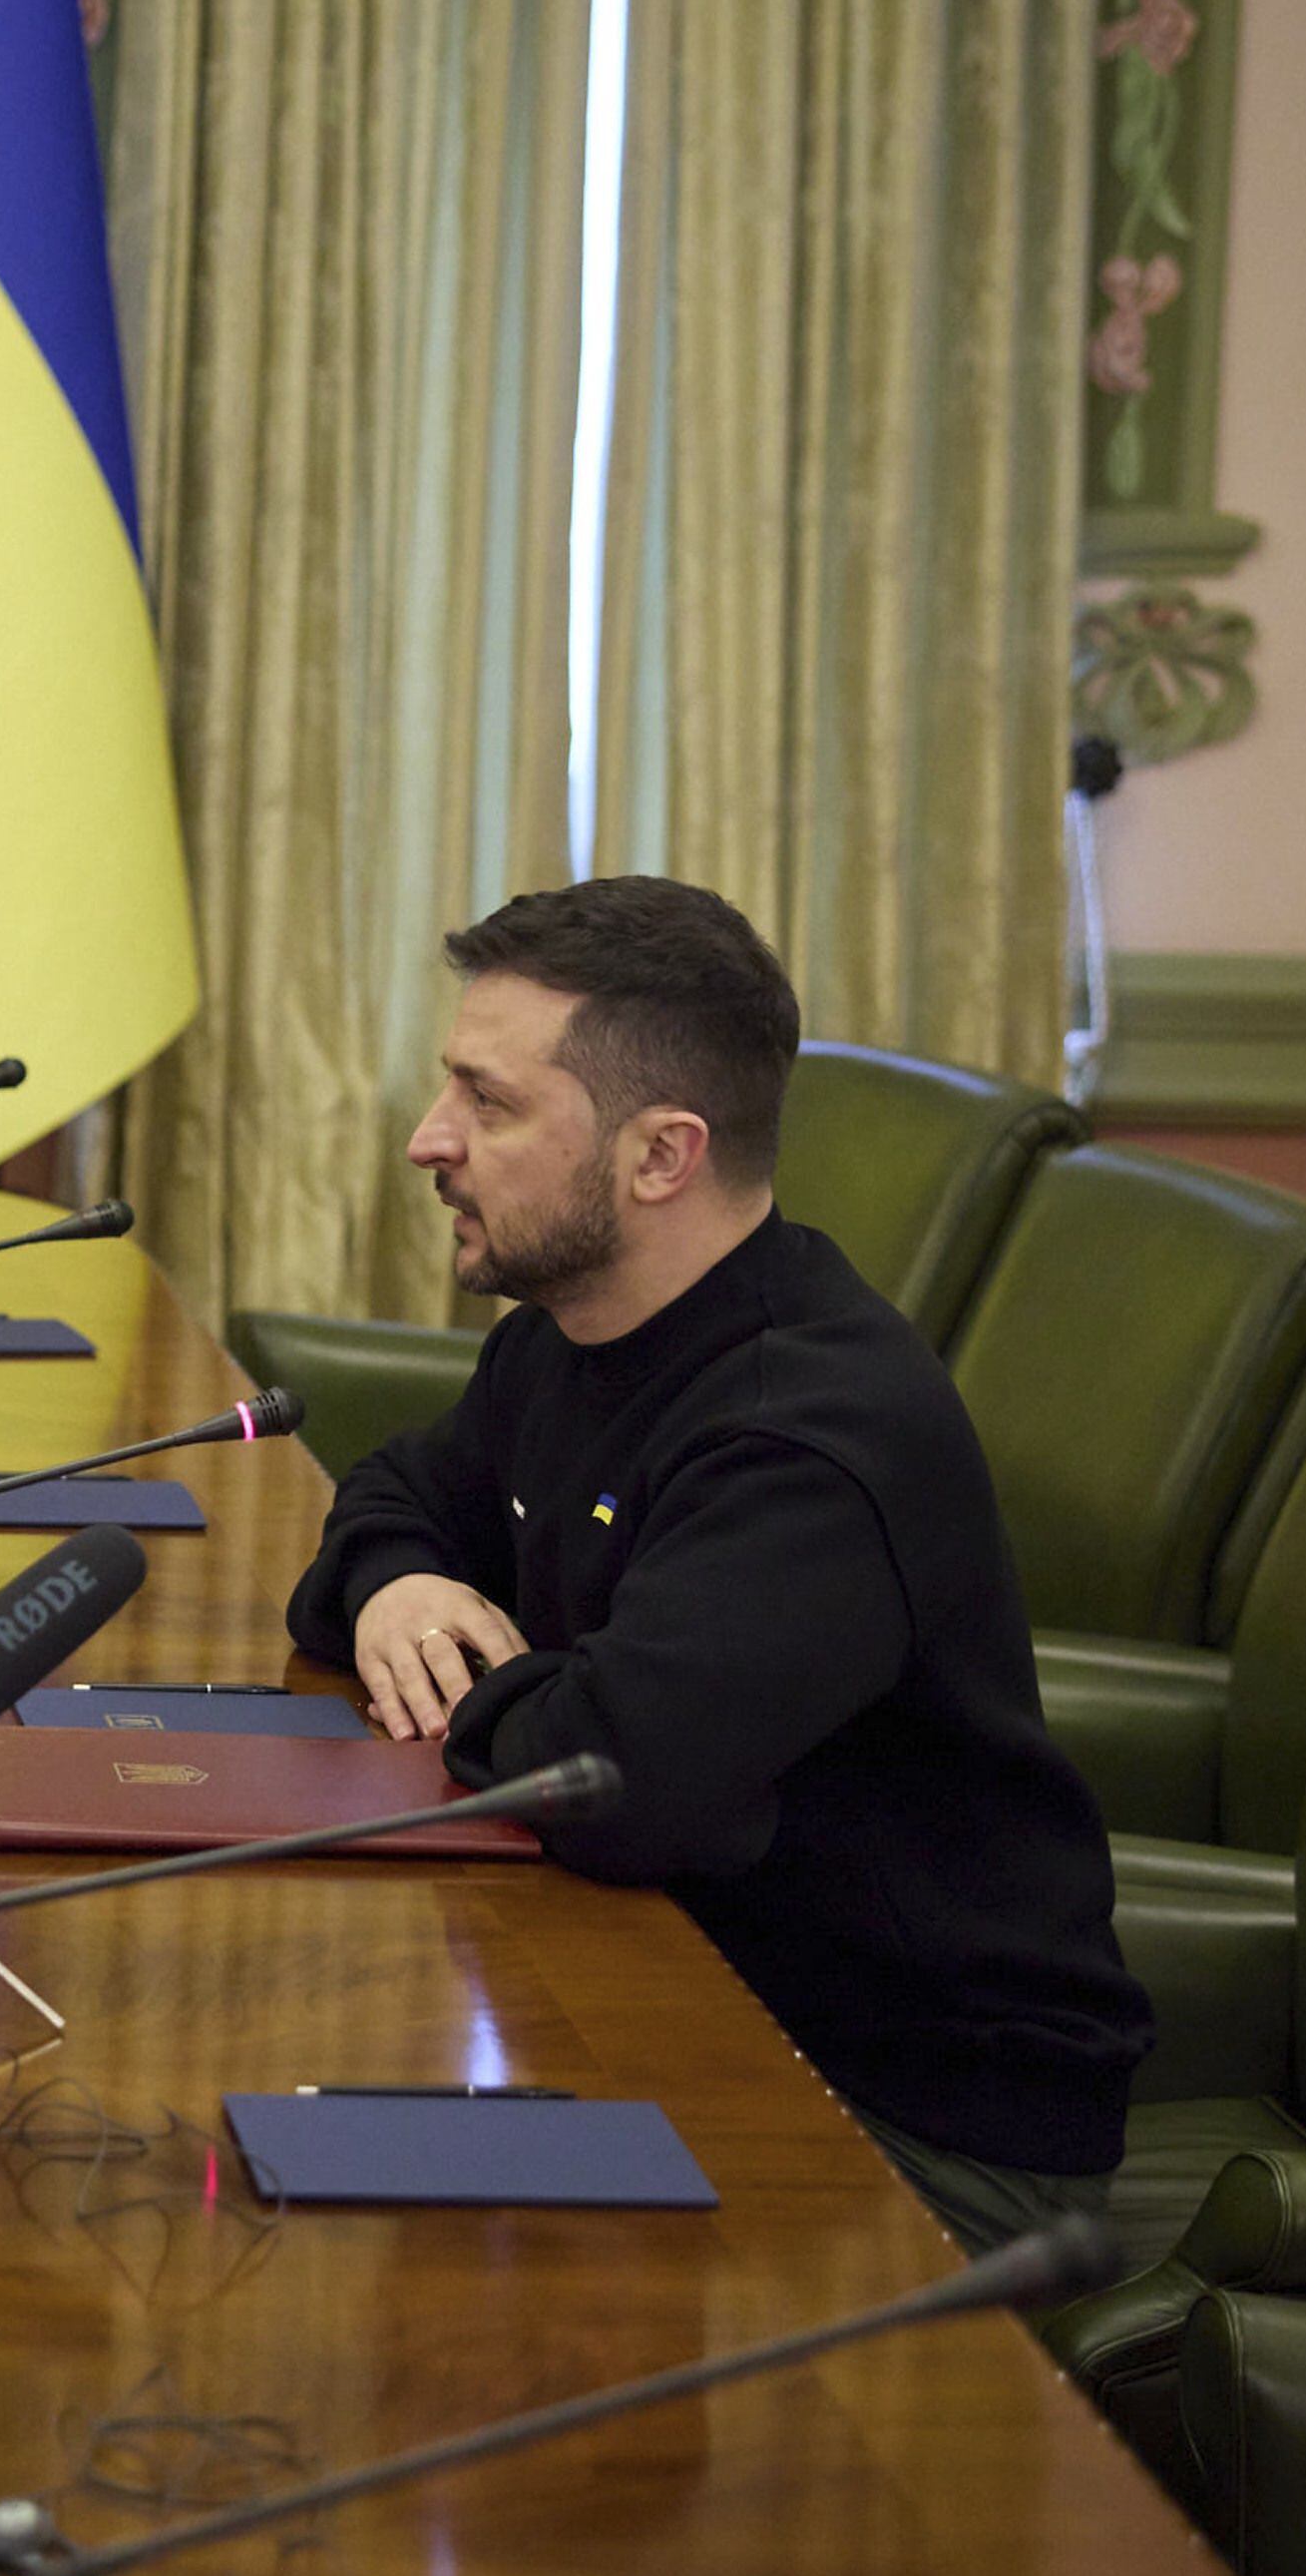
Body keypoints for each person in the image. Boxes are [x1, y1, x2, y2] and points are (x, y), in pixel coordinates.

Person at [291, 877, 1148, 2254]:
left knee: (370, 2234)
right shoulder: (577, 1329)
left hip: (911, 2123)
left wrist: (504, 1682)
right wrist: (403, 1585)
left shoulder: (807, 1431)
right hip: (681, 1985)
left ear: (660, 1156)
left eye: (488, 1103)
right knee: (293, 2141)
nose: (426, 1141)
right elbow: (397, 1490)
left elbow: (619, 1779)